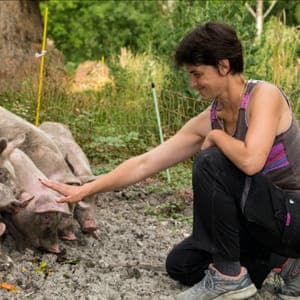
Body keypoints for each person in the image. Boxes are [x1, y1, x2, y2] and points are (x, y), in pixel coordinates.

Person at [40, 22, 300, 299]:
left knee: (210, 161)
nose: (192, 84)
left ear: (224, 66)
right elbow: (146, 162)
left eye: (197, 74)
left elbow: (251, 161)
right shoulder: (211, 117)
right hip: (261, 223)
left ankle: (229, 276)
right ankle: (284, 263)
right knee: (183, 264)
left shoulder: (264, 96)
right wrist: (85, 189)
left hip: (292, 215)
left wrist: (216, 136)